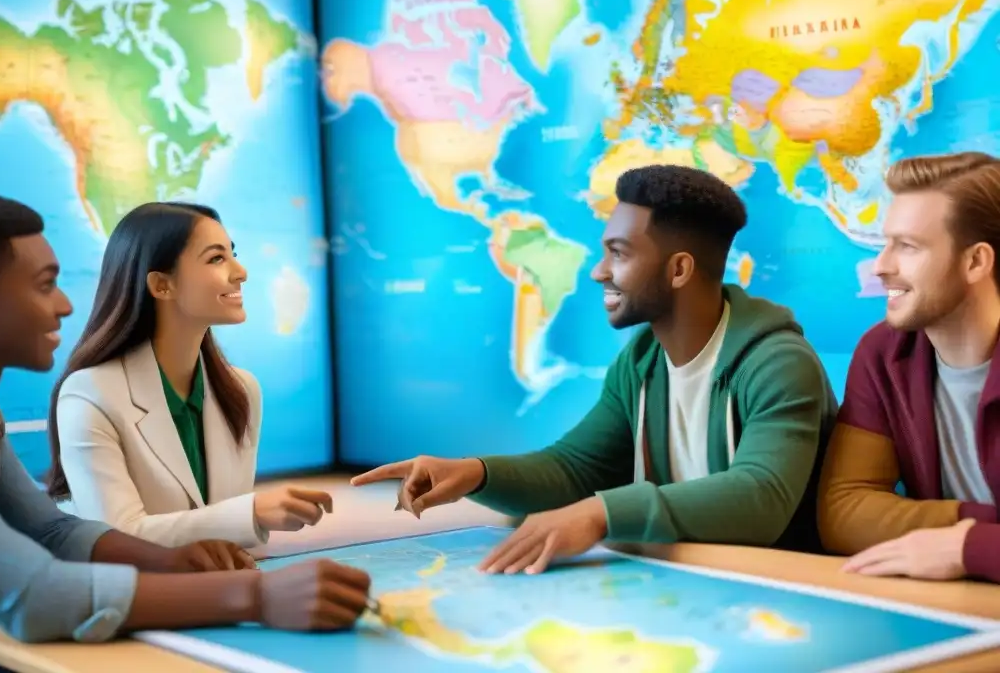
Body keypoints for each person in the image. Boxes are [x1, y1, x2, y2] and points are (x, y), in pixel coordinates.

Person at [353, 165, 838, 574]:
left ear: (679, 270)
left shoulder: (778, 363)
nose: (598, 271)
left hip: (787, 589)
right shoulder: (642, 361)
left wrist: (602, 513)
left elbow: (762, 498)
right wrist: (476, 474)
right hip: (699, 581)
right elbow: (575, 468)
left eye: (619, 253)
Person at [0, 194, 372, 643]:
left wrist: (171, 560)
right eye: (46, 285)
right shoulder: (90, 391)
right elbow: (32, 595)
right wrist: (255, 596)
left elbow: (51, 530)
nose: (66, 306)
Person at [43, 202, 333, 549]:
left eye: (233, 254)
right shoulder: (90, 393)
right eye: (216, 258)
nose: (241, 272)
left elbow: (233, 542)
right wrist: (251, 513)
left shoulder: (241, 390)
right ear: (162, 286)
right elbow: (117, 539)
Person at [817, 152, 1000, 584]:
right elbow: (844, 510)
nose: (881, 266)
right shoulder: (883, 354)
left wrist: (969, 547)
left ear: (976, 262)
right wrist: (978, 527)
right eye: (886, 243)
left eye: (908, 247)